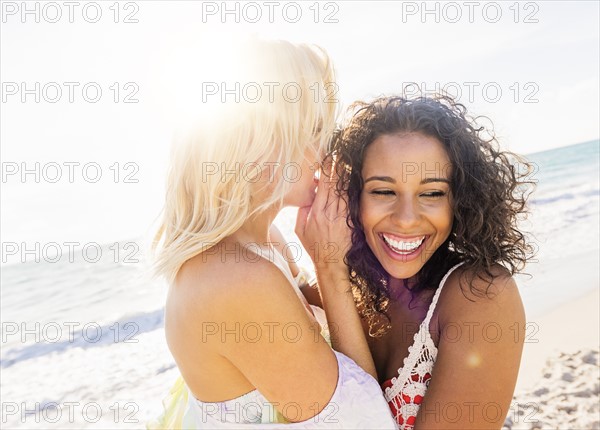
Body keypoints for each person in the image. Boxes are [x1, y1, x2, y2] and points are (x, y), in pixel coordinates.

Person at [147, 36, 397, 428]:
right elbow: (366, 422)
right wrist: (329, 268)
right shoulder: (237, 278)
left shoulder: (263, 244)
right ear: (259, 141)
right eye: (315, 130)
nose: (327, 153)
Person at [326, 95, 535, 429]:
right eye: (383, 192)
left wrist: (330, 272)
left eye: (432, 193)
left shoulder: (482, 297)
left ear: (460, 200)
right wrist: (330, 271)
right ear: (350, 197)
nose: (406, 219)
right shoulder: (330, 295)